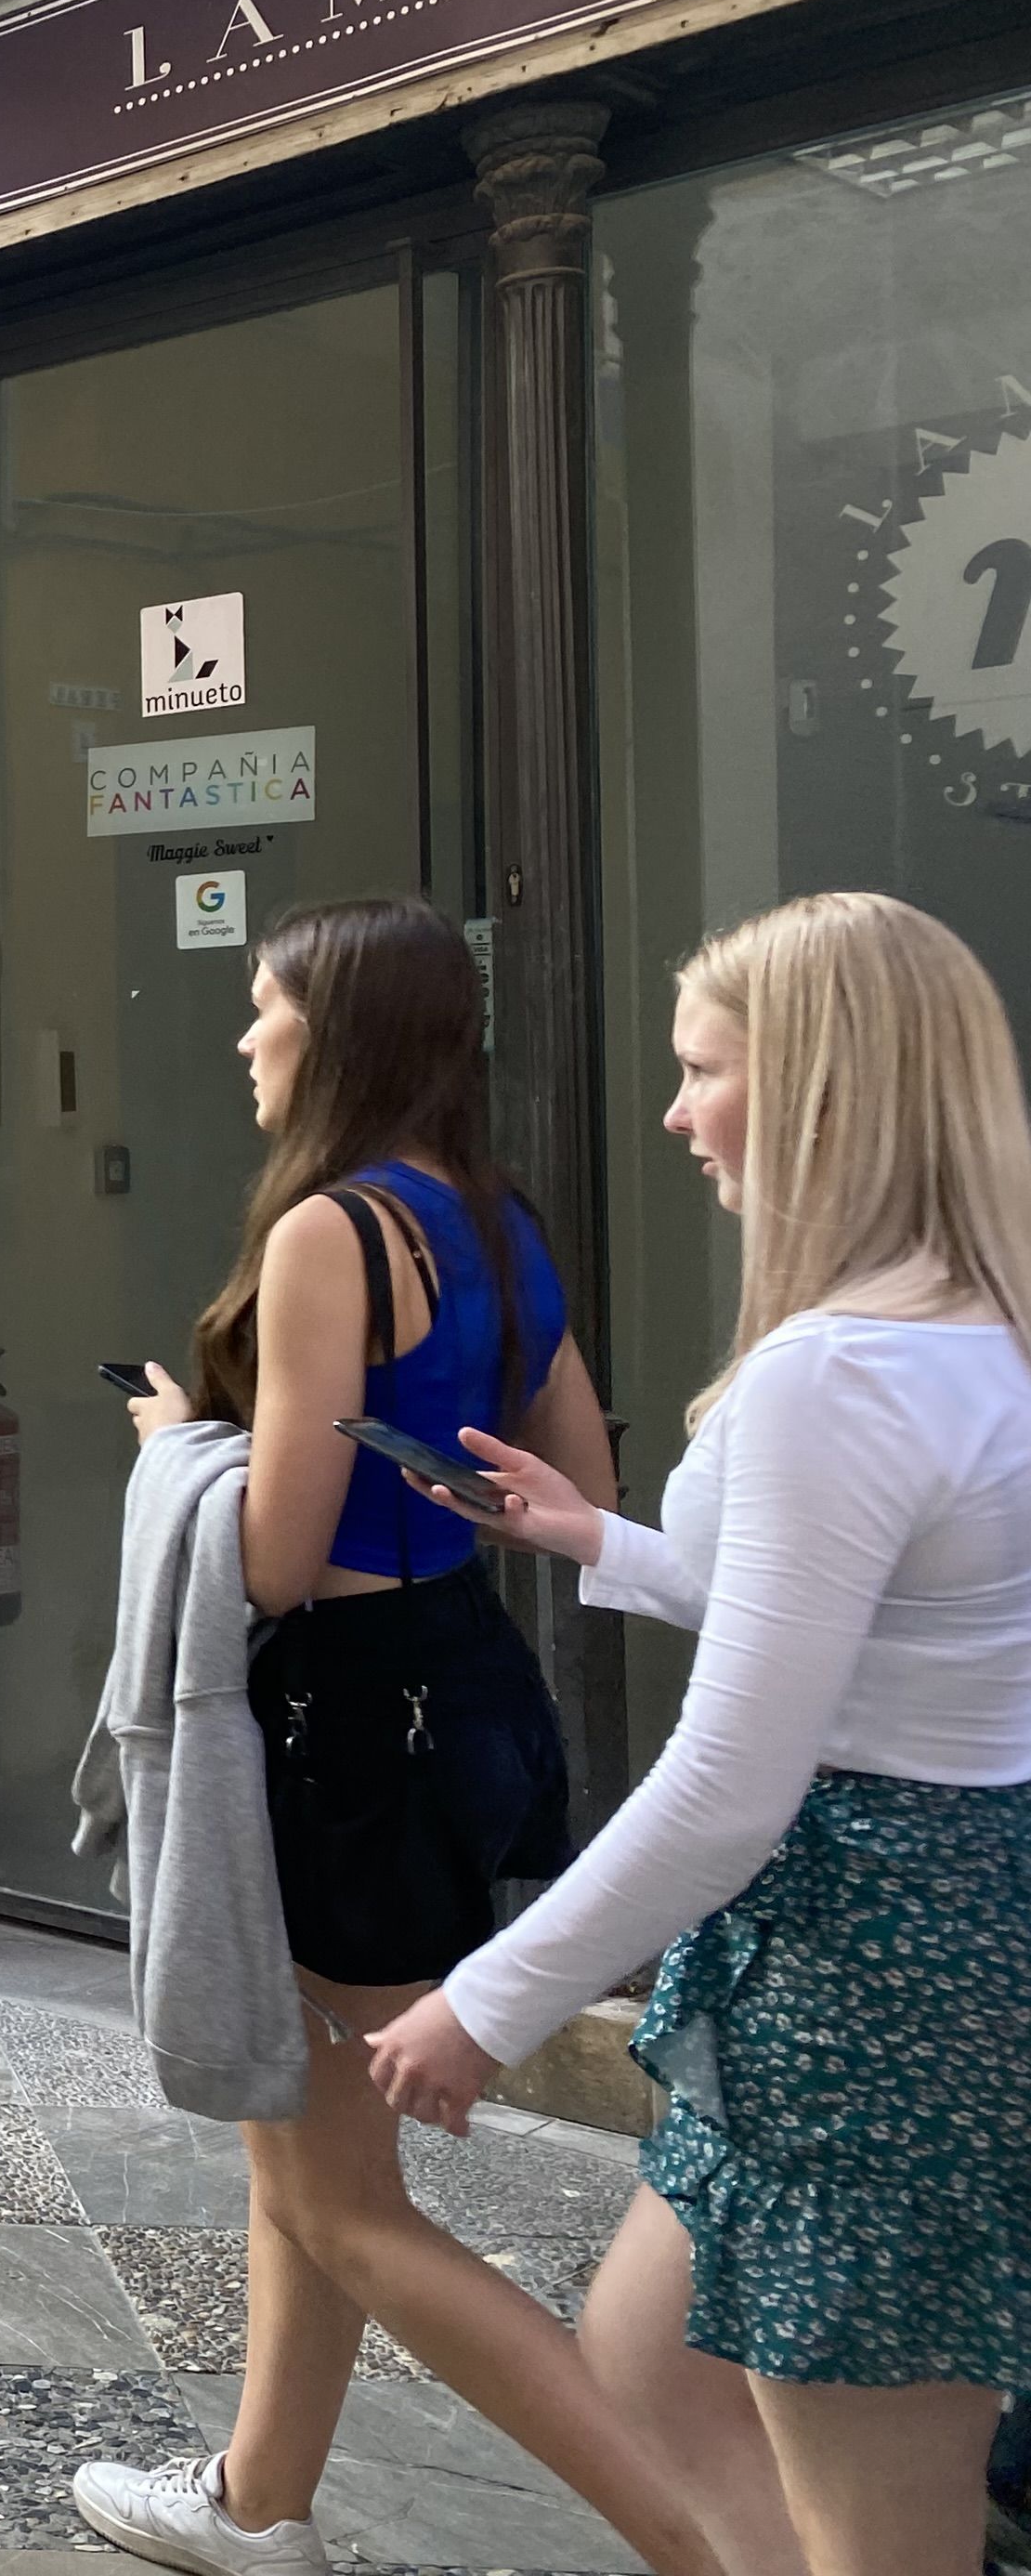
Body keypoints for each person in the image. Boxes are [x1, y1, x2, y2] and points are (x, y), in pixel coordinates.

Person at [368, 892, 1031, 2576]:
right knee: (653, 2361)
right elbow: (892, 1625)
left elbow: (733, 1780)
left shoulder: (837, 1371)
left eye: (705, 1070)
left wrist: (489, 1999)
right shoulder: (976, 1328)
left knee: (879, 2518)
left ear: (822, 1092)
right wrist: (599, 1538)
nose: (674, 1115)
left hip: (868, 1975)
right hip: (951, 1930)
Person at [78, 896, 719, 2576]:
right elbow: (572, 1488)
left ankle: (706, 2543)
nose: (244, 1039)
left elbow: (276, 1560)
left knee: (340, 2196)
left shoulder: (327, 1232)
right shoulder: (501, 1222)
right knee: (310, 2156)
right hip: (465, 1686)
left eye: (264, 1007)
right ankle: (257, 2501)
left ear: (337, 1031)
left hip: (338, 1719)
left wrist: (177, 1446)